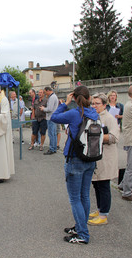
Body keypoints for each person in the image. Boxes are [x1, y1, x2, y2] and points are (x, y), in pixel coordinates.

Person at [51, 86, 98, 244]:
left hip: (75, 158)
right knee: (84, 196)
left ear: (75, 98)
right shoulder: (94, 113)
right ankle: (80, 226)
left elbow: (54, 117)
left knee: (75, 199)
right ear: (88, 97)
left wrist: (65, 103)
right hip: (90, 158)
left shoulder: (74, 113)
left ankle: (83, 234)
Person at [88, 93, 119, 226]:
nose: (94, 106)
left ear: (104, 105)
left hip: (106, 157)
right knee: (96, 184)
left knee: (104, 185)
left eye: (97, 103)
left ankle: (104, 215)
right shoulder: (92, 116)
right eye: (92, 103)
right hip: (95, 157)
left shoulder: (110, 118)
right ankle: (100, 209)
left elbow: (113, 137)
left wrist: (97, 135)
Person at [40, 86, 59, 155]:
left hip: (51, 118)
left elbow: (50, 109)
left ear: (48, 91)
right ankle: (54, 148)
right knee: (53, 134)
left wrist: (43, 109)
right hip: (53, 117)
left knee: (51, 134)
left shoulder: (52, 97)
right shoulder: (54, 96)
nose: (45, 94)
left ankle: (51, 149)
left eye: (45, 92)